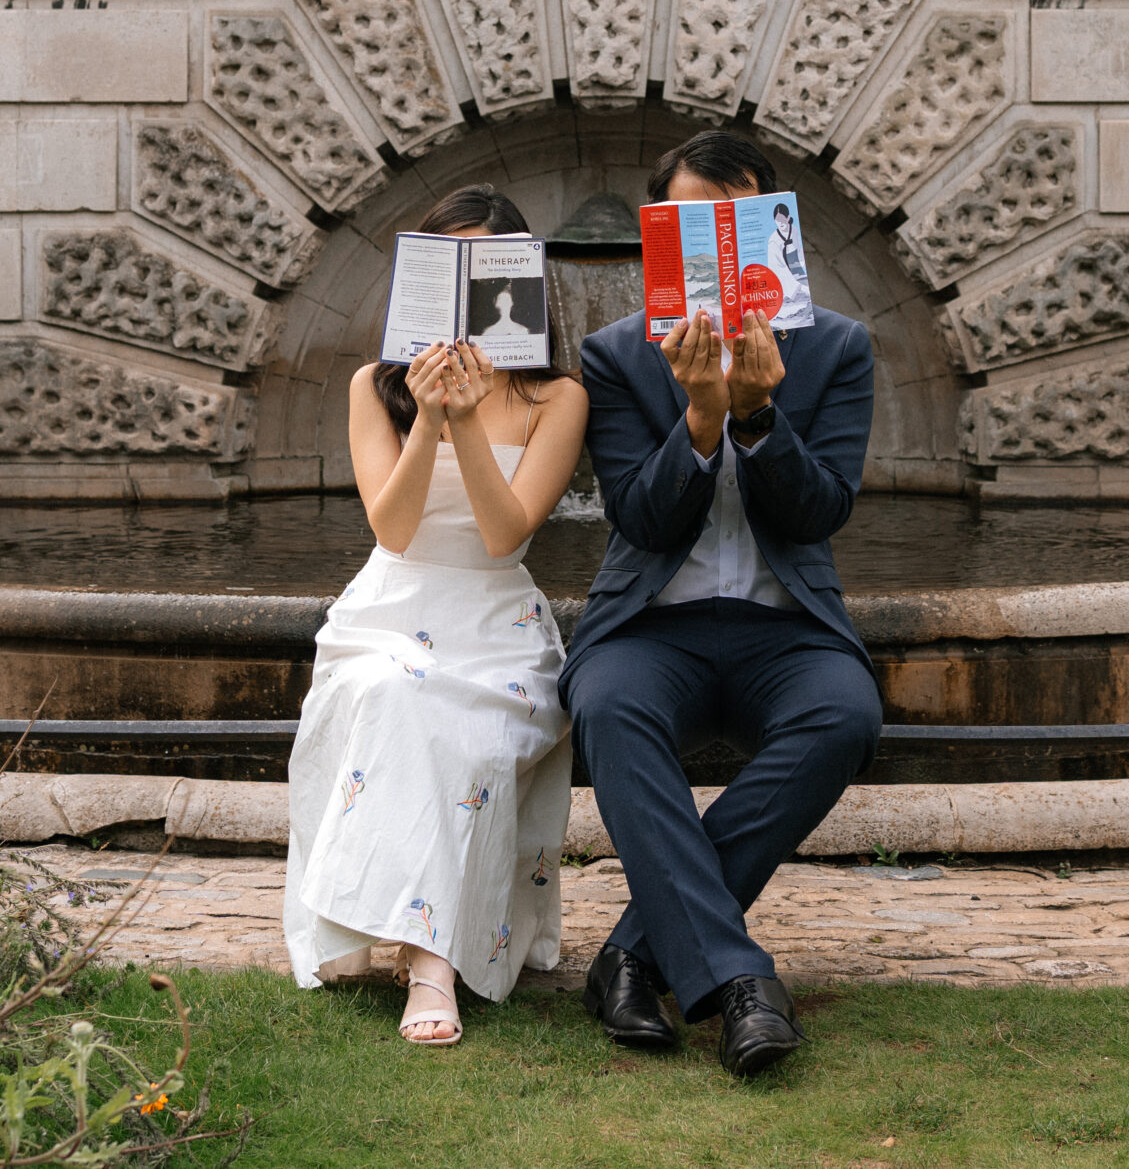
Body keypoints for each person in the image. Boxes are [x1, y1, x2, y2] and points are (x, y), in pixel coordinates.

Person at [563, 130, 880, 1078]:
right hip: (652, 629)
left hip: (787, 628)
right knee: (609, 705)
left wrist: (757, 417)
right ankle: (740, 984)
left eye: (732, 215)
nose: (712, 235)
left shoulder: (838, 348)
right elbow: (641, 519)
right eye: (690, 217)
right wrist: (702, 419)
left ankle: (634, 954)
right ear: (664, 233)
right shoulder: (616, 355)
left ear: (770, 225)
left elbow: (824, 510)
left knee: (846, 712)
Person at [282, 187, 590, 1047]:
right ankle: (414, 951)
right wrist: (430, 419)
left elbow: (503, 535)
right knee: (394, 689)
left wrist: (471, 424)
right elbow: (393, 526)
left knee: (452, 723)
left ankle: (432, 960)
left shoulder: (555, 396)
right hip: (392, 607)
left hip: (493, 620)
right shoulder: (371, 386)